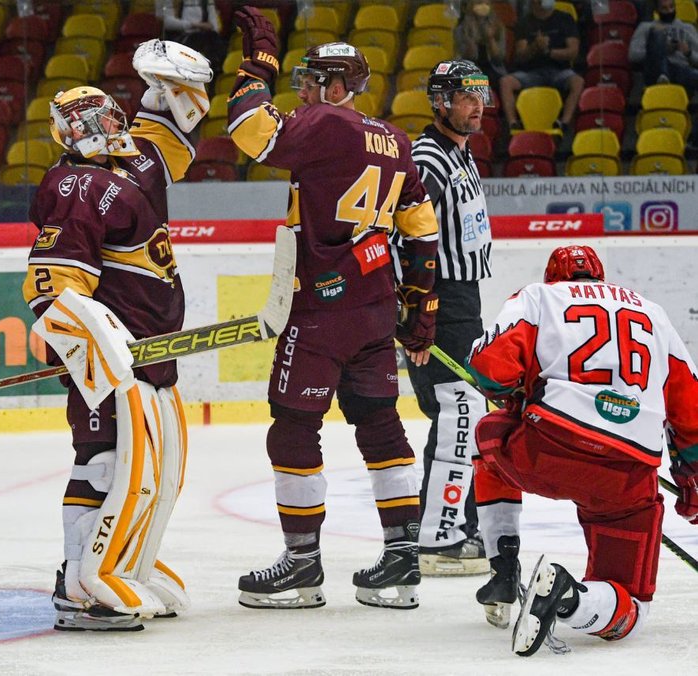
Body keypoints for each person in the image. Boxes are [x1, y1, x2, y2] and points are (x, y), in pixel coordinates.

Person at [226, 6, 441, 610]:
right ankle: (401, 562)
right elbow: (423, 235)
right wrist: (419, 314)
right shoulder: (396, 141)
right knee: (380, 422)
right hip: (374, 313)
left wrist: (258, 60)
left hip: (320, 313)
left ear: (339, 86)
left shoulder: (327, 125)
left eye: (312, 79)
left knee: (294, 426)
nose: (303, 91)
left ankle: (301, 565)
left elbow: (248, 130)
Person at [22, 40, 212, 632]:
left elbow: (179, 123)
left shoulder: (132, 166)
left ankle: (129, 563)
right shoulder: (73, 184)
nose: (106, 126)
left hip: (149, 349)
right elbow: (53, 291)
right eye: (90, 121)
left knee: (157, 468)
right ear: (67, 134)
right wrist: (84, 344)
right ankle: (77, 581)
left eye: (110, 114)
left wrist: (167, 82)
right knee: (104, 461)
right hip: (112, 357)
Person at [465, 244, 698, 656]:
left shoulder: (537, 296)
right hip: (626, 474)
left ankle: (502, 572)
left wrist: (514, 396)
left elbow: (490, 369)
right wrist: (690, 473)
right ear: (601, 278)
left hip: (547, 449)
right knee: (630, 607)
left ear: (555, 276)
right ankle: (569, 595)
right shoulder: (654, 313)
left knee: (488, 440)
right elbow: (690, 411)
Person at [390, 60, 494, 577]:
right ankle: (438, 537)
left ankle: (453, 525)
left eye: (481, 94)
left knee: (463, 413)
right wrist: (416, 310)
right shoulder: (428, 157)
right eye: (466, 96)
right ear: (441, 102)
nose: (477, 104)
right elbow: (402, 235)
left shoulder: (460, 154)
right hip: (440, 302)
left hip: (462, 302)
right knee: (457, 413)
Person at [499, 0, 584, 132]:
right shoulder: (524, 22)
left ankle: (564, 123)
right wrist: (535, 47)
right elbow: (520, 55)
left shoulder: (565, 19)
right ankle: (513, 124)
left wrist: (548, 52)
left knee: (578, 82)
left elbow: (572, 52)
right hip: (531, 73)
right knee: (506, 82)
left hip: (560, 70)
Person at [629, 0, 698, 94]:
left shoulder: (688, 28)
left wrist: (688, 52)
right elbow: (633, 55)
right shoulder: (645, 27)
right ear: (657, 11)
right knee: (658, 31)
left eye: (671, 7)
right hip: (654, 70)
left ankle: (666, 78)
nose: (669, 11)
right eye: (664, 8)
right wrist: (661, 49)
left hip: (680, 70)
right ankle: (662, 75)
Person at [157, 0, 226, 78]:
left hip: (204, 36)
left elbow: (214, 26)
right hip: (179, 37)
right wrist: (195, 25)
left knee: (213, 38)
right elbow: (168, 23)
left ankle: (215, 73)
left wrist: (204, 27)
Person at [454, 1, 508, 89]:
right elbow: (467, 56)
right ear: (471, 6)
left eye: (487, 4)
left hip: (493, 68)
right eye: (479, 3)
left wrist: (491, 39)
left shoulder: (498, 27)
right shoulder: (461, 29)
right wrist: (471, 38)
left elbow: (499, 57)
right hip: (470, 67)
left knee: (500, 81)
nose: (483, 7)